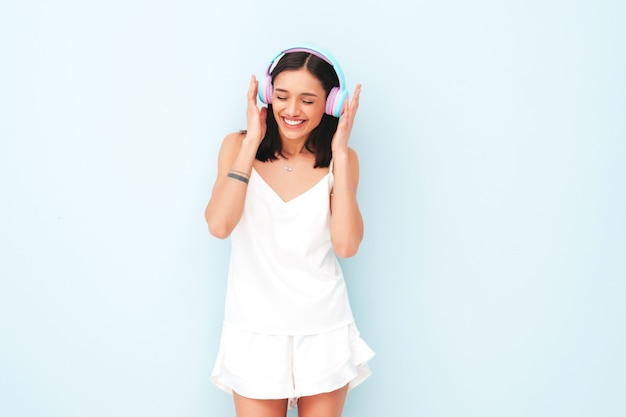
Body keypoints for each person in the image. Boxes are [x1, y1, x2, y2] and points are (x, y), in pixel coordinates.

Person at [204, 45, 374, 417]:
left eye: (307, 100)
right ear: (266, 95)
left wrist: (341, 154)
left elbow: (346, 245)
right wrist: (252, 140)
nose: (291, 110)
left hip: (323, 326)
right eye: (281, 96)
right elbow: (219, 225)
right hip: (254, 327)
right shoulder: (237, 146)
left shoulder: (342, 161)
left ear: (331, 104)